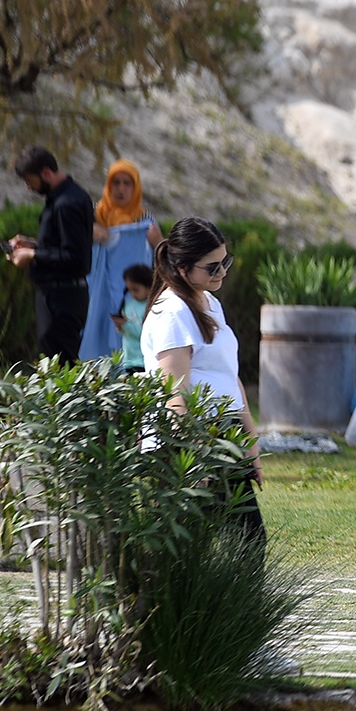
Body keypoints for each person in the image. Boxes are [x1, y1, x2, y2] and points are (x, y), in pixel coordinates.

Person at [142, 217, 264, 541]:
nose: (222, 272)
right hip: (192, 441)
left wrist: (250, 444)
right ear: (182, 268)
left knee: (247, 540)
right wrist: (193, 457)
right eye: (212, 267)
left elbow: (229, 376)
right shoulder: (172, 312)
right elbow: (173, 394)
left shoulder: (210, 303)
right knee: (224, 543)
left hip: (222, 435)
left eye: (225, 262)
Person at [4, 146, 94, 364]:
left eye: (29, 181)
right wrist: (32, 245)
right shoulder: (66, 197)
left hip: (62, 299)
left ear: (46, 173)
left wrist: (32, 254)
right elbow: (64, 246)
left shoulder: (66, 204)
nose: (28, 188)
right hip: (60, 296)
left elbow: (74, 257)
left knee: (61, 365)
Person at [83, 159, 161, 362]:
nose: (121, 189)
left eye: (127, 183)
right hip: (96, 294)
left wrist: (158, 241)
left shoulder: (144, 220)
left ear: (136, 187)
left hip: (132, 296)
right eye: (116, 183)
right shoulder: (93, 215)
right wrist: (88, 232)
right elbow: (69, 242)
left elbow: (163, 259)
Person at [112, 262, 154, 374]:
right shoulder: (128, 305)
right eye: (129, 290)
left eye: (135, 290)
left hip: (143, 361)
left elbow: (146, 335)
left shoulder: (151, 307)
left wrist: (126, 325)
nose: (132, 294)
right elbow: (127, 333)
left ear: (149, 287)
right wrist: (120, 326)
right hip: (129, 360)